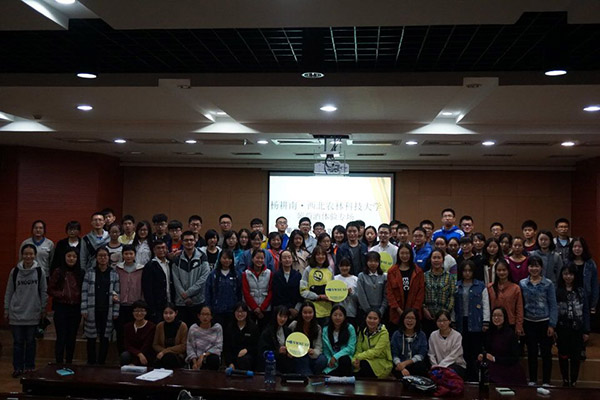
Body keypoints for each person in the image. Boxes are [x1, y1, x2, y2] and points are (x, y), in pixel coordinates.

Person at [4, 244, 48, 377]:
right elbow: (9, 291)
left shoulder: (40, 271)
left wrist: (43, 308)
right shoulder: (15, 271)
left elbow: (43, 291)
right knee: (18, 343)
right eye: (26, 254)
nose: (28, 256)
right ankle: (17, 368)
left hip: (33, 312)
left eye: (31, 254)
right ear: (22, 255)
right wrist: (6, 309)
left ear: (35, 255)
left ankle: (29, 367)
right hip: (16, 313)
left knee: (30, 342)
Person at [519, 255, 558, 386]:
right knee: (532, 352)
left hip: (544, 322)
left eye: (537, 266)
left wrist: (552, 324)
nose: (534, 269)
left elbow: (553, 305)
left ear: (541, 267)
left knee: (546, 353)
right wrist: (521, 324)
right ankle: (533, 380)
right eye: (531, 266)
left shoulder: (548, 284)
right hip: (528, 322)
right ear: (528, 268)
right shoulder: (522, 284)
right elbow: (520, 305)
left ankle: (546, 381)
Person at [81, 247, 120, 365]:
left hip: (107, 310)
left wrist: (116, 311)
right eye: (100, 256)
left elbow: (117, 293)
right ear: (96, 258)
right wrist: (84, 308)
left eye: (105, 256)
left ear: (109, 258)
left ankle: (101, 363)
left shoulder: (114, 273)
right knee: (91, 337)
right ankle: (91, 362)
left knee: (105, 337)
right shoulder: (90, 273)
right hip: (92, 309)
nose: (103, 258)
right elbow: (84, 292)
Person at [454, 260, 490, 381]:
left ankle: (475, 378)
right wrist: (452, 320)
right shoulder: (457, 286)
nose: (467, 273)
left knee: (475, 351)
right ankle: (464, 377)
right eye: (465, 270)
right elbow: (453, 305)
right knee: (463, 350)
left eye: (470, 270)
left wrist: (486, 321)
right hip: (461, 322)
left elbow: (485, 304)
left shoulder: (480, 286)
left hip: (476, 322)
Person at [48, 248, 83, 364]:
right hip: (61, 308)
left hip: (76, 308)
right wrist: (62, 294)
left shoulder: (81, 272)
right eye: (69, 256)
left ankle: (69, 362)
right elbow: (50, 289)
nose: (71, 259)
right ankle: (58, 363)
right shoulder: (58, 271)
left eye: (74, 256)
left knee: (72, 337)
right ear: (64, 257)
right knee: (61, 337)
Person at [556, 265, 589, 387]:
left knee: (576, 356)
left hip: (577, 329)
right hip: (562, 328)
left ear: (575, 276)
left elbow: (585, 311)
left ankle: (574, 381)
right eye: (565, 274)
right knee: (563, 354)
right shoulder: (557, 290)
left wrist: (586, 331)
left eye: (570, 274)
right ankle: (565, 380)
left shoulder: (581, 291)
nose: (568, 277)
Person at [478, 307, 526, 385]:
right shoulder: (489, 333)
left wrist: (495, 359)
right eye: (494, 316)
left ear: (504, 317)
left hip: (508, 366)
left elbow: (514, 358)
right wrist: (483, 356)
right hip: (493, 365)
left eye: (499, 316)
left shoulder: (511, 334)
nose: (496, 318)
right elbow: (487, 351)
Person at [172, 231, 210, 328]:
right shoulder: (177, 259)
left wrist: (188, 293)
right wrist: (184, 296)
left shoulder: (202, 257)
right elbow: (176, 280)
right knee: (182, 329)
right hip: (181, 302)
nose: (189, 242)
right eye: (186, 240)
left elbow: (204, 277)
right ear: (182, 242)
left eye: (191, 240)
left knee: (197, 329)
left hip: (197, 301)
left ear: (195, 241)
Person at [386, 243, 425, 329]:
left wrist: (413, 311)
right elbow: (389, 292)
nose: (404, 256)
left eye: (407, 253)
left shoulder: (418, 271)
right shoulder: (392, 271)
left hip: (414, 312)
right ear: (398, 254)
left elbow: (421, 292)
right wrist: (399, 310)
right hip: (396, 312)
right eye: (402, 253)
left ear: (411, 254)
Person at [204, 249, 242, 329]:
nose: (227, 260)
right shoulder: (213, 275)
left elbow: (239, 293)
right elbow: (208, 293)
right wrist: (209, 308)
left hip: (232, 311)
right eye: (224, 258)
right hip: (216, 311)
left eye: (229, 258)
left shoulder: (237, 275)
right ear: (220, 259)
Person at [288, 302, 327, 375]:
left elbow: (319, 347)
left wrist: (314, 352)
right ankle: (308, 377)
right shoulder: (294, 325)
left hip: (311, 355)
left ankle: (314, 376)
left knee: (322, 360)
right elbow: (288, 341)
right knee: (302, 359)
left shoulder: (317, 327)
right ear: (301, 313)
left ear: (314, 313)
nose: (307, 315)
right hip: (298, 355)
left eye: (310, 313)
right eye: (305, 313)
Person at [423, 249, 456, 335]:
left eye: (439, 258)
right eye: (434, 258)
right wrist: (424, 309)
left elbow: (452, 296)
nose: (436, 260)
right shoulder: (424, 276)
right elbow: (420, 295)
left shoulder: (449, 277)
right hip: (427, 317)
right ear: (430, 259)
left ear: (443, 260)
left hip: (444, 320)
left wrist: (444, 313)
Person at [352, 309, 393, 379]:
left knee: (364, 365)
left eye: (375, 319)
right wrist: (354, 360)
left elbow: (376, 352)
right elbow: (358, 350)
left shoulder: (384, 333)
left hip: (381, 363)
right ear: (366, 319)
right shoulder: (362, 332)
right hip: (364, 360)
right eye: (369, 318)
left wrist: (358, 357)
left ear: (379, 320)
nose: (372, 321)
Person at [487, 259, 524, 336]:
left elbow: (519, 309)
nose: (501, 272)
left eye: (504, 270)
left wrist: (519, 326)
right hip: (494, 324)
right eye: (499, 270)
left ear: (508, 271)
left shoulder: (516, 288)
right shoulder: (490, 288)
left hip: (510, 324)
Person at [300, 246, 334, 325]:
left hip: (327, 311)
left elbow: (333, 288)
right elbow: (303, 291)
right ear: (314, 256)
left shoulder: (329, 270)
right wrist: (318, 297)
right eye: (318, 254)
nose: (320, 257)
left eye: (323, 254)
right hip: (311, 311)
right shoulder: (308, 270)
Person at [391, 308, 429, 378]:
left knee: (421, 366)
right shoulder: (396, 334)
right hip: (400, 364)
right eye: (407, 318)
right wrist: (401, 367)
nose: (410, 320)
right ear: (403, 319)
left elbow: (422, 354)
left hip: (414, 364)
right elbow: (394, 354)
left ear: (416, 320)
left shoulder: (421, 335)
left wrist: (405, 363)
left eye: (412, 318)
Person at [428, 310, 466, 378]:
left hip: (456, 365)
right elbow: (431, 354)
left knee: (448, 373)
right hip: (437, 367)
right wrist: (435, 366)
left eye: (444, 320)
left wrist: (441, 367)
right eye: (439, 321)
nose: (442, 323)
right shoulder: (433, 335)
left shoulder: (457, 335)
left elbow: (453, 356)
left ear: (449, 321)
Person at [242, 249, 274, 329]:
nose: (259, 260)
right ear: (252, 259)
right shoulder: (246, 273)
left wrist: (262, 308)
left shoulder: (269, 273)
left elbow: (271, 291)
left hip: (266, 309)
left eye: (262, 258)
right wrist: (255, 308)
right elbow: (246, 292)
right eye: (257, 258)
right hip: (250, 309)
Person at [142, 240, 172, 323]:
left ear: (167, 249)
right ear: (154, 250)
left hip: (170, 301)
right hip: (157, 304)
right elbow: (147, 288)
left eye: (163, 248)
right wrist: (152, 307)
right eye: (158, 248)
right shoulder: (150, 266)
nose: (161, 250)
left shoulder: (170, 263)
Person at [568, 237, 599, 318]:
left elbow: (595, 284)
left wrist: (593, 304)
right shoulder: (567, 262)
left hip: (586, 298)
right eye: (575, 246)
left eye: (580, 247)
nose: (577, 249)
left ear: (584, 248)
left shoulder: (590, 263)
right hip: (570, 298)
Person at [257, 305, 294, 373]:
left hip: (285, 364)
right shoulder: (267, 332)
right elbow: (262, 352)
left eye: (285, 317)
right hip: (270, 364)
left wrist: (290, 353)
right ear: (275, 316)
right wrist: (277, 351)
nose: (282, 319)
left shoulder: (288, 331)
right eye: (280, 316)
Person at [322, 305, 357, 376]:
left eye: (340, 315)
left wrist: (336, 357)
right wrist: (329, 361)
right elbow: (325, 350)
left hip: (345, 360)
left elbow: (351, 348)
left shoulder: (350, 328)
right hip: (332, 363)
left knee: (344, 359)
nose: (337, 318)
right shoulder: (325, 329)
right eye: (335, 315)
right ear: (331, 316)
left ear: (344, 317)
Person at [223, 303, 259, 370]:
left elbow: (256, 346)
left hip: (248, 359)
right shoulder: (229, 328)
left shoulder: (253, 327)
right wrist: (230, 363)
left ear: (247, 312)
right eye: (237, 311)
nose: (240, 314)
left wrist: (247, 350)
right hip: (233, 359)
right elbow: (226, 348)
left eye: (242, 311)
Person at [186, 305, 223, 370]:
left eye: (207, 314)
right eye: (202, 314)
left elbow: (218, 346)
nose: (205, 317)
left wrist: (203, 355)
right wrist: (194, 362)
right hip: (196, 357)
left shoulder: (217, 328)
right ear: (198, 316)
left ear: (211, 316)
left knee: (214, 359)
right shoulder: (193, 328)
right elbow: (190, 347)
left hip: (210, 356)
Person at [120, 300, 156, 366]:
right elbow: (127, 345)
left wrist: (134, 363)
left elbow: (147, 346)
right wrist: (139, 354)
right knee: (125, 355)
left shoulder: (151, 326)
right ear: (132, 312)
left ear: (146, 312)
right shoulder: (127, 326)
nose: (139, 313)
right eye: (136, 311)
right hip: (134, 353)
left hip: (145, 355)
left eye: (142, 311)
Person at [153, 303, 188, 369]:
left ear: (176, 313)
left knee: (169, 357)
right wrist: (163, 352)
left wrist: (165, 352)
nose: (168, 316)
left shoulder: (182, 326)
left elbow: (183, 346)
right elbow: (155, 344)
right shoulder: (159, 326)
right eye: (165, 313)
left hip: (177, 355)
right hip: (161, 355)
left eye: (171, 313)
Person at [356, 252, 388, 322]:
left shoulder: (384, 276)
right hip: (364, 311)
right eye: (370, 261)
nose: (373, 263)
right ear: (366, 262)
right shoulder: (361, 276)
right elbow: (361, 295)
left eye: (375, 261)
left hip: (381, 311)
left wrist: (381, 311)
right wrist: (369, 312)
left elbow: (386, 295)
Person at [271, 249, 302, 320]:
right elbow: (276, 295)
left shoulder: (297, 275)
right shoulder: (276, 275)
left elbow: (299, 294)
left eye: (289, 257)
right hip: (280, 310)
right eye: (284, 258)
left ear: (292, 259)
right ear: (281, 260)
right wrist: (288, 308)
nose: (287, 260)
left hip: (295, 310)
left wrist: (296, 309)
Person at [334, 258, 359, 327]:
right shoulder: (334, 279)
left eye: (347, 266)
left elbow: (358, 298)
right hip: (337, 312)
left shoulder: (355, 279)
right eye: (342, 266)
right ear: (338, 266)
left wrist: (351, 293)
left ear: (350, 266)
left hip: (351, 312)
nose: (344, 268)